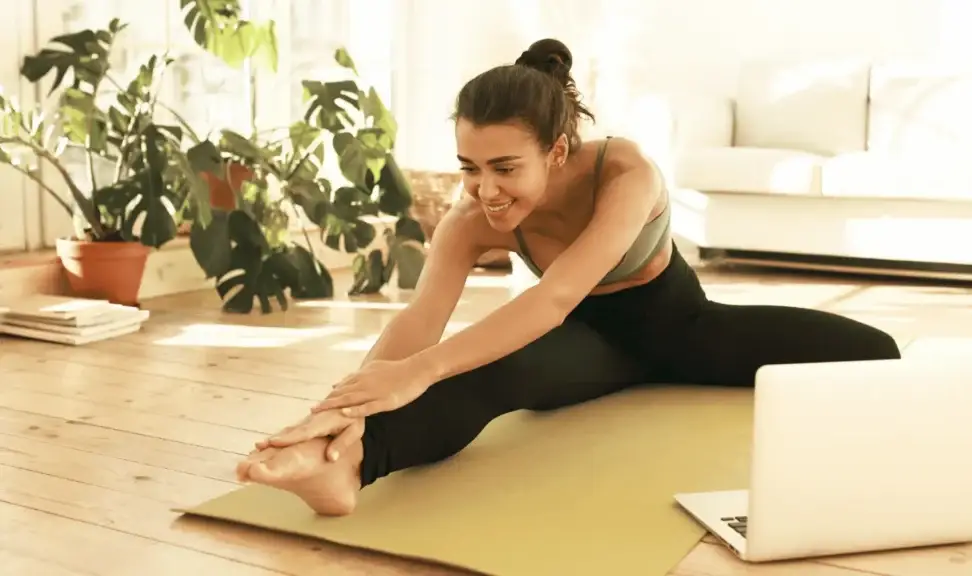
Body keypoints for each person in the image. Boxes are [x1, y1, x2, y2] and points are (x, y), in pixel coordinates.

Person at [235, 38, 901, 516]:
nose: (484, 189)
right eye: (469, 166)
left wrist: (420, 370)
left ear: (556, 150)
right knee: (487, 372)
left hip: (682, 328)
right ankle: (346, 468)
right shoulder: (471, 218)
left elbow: (553, 296)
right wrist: (338, 413)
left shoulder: (626, 174)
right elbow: (418, 323)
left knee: (875, 352)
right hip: (590, 343)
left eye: (504, 167)